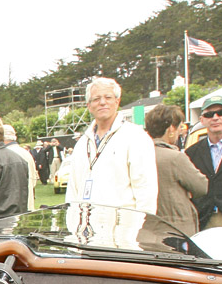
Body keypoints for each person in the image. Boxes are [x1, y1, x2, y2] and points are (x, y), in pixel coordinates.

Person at [65, 77, 157, 214]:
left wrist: (140, 230)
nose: (102, 102)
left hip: (122, 229)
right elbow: (73, 191)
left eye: (108, 97)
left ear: (117, 101)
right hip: (86, 229)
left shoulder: (136, 137)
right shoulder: (82, 144)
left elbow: (146, 190)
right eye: (96, 99)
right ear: (89, 106)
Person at [145, 104, 207, 235]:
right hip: (176, 228)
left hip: (147, 227)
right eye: (180, 127)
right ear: (171, 128)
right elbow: (202, 186)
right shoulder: (175, 158)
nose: (181, 132)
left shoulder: (138, 155)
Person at [184, 95, 222, 229]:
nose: (215, 117)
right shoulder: (191, 153)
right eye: (209, 114)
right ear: (202, 120)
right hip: (203, 222)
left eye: (221, 112)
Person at [4, 125, 38, 211]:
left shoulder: (5, 155)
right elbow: (34, 181)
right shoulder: (26, 153)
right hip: (28, 204)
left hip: (14, 209)